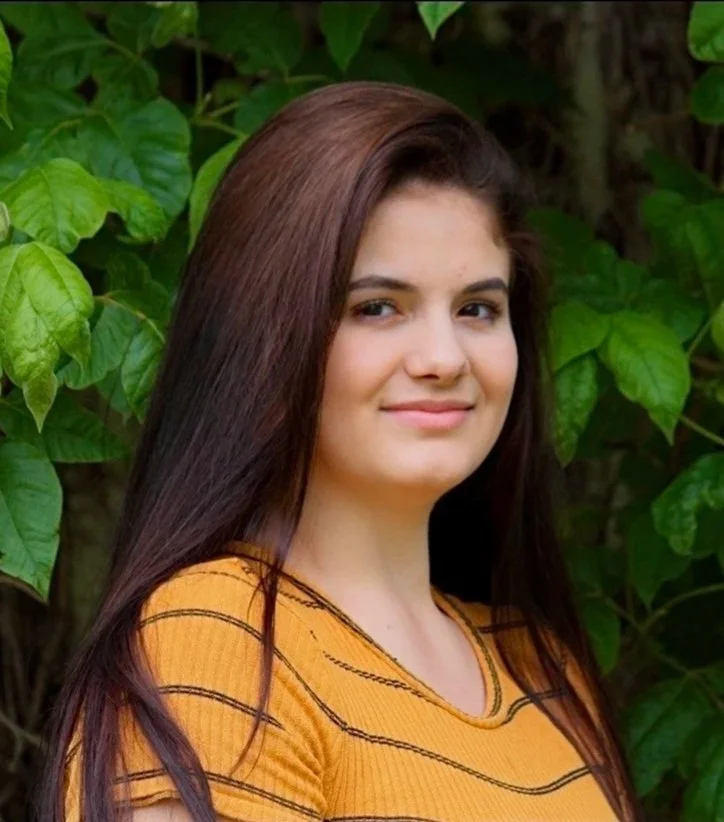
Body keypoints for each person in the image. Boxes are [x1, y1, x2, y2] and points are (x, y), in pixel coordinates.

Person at [35, 80, 642, 822]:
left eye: (478, 309)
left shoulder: (543, 669)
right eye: (377, 308)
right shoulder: (213, 646)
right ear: (268, 338)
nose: (444, 357)